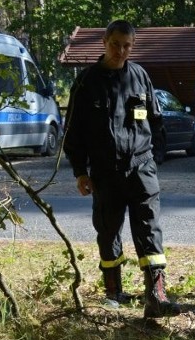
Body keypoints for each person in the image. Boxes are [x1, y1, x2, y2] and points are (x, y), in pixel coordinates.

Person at [63, 19, 180, 318]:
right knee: (108, 229)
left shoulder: (140, 76)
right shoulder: (86, 82)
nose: (121, 51)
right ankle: (113, 291)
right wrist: (80, 171)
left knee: (149, 227)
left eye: (127, 46)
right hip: (105, 171)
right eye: (116, 44)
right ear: (104, 41)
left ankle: (156, 294)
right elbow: (72, 133)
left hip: (141, 166)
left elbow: (155, 120)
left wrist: (155, 158)